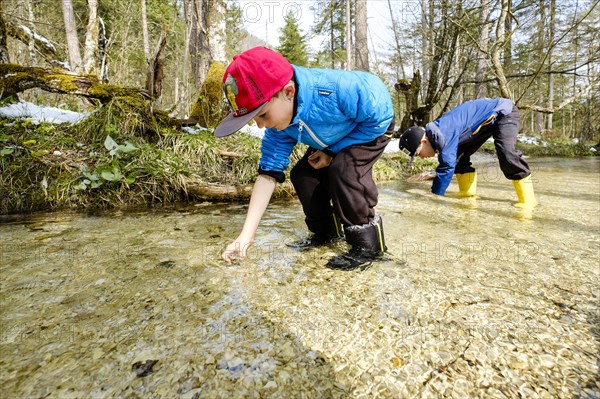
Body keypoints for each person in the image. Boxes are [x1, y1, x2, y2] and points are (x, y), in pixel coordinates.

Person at [214, 46, 395, 269]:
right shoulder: (279, 126)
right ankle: (327, 234)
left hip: (370, 128)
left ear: (289, 92)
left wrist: (332, 151)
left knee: (344, 170)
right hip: (330, 139)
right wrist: (245, 237)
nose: (260, 125)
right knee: (303, 175)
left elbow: (381, 113)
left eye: (262, 114)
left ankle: (368, 247)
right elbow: (268, 173)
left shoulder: (336, 89)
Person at [398, 97, 537, 208]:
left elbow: (446, 167)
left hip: (503, 112)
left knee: (507, 154)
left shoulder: (443, 133)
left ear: (423, 142)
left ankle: (528, 202)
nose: (421, 158)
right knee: (458, 157)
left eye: (417, 154)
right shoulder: (438, 134)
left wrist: (435, 196)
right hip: (486, 121)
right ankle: (468, 195)